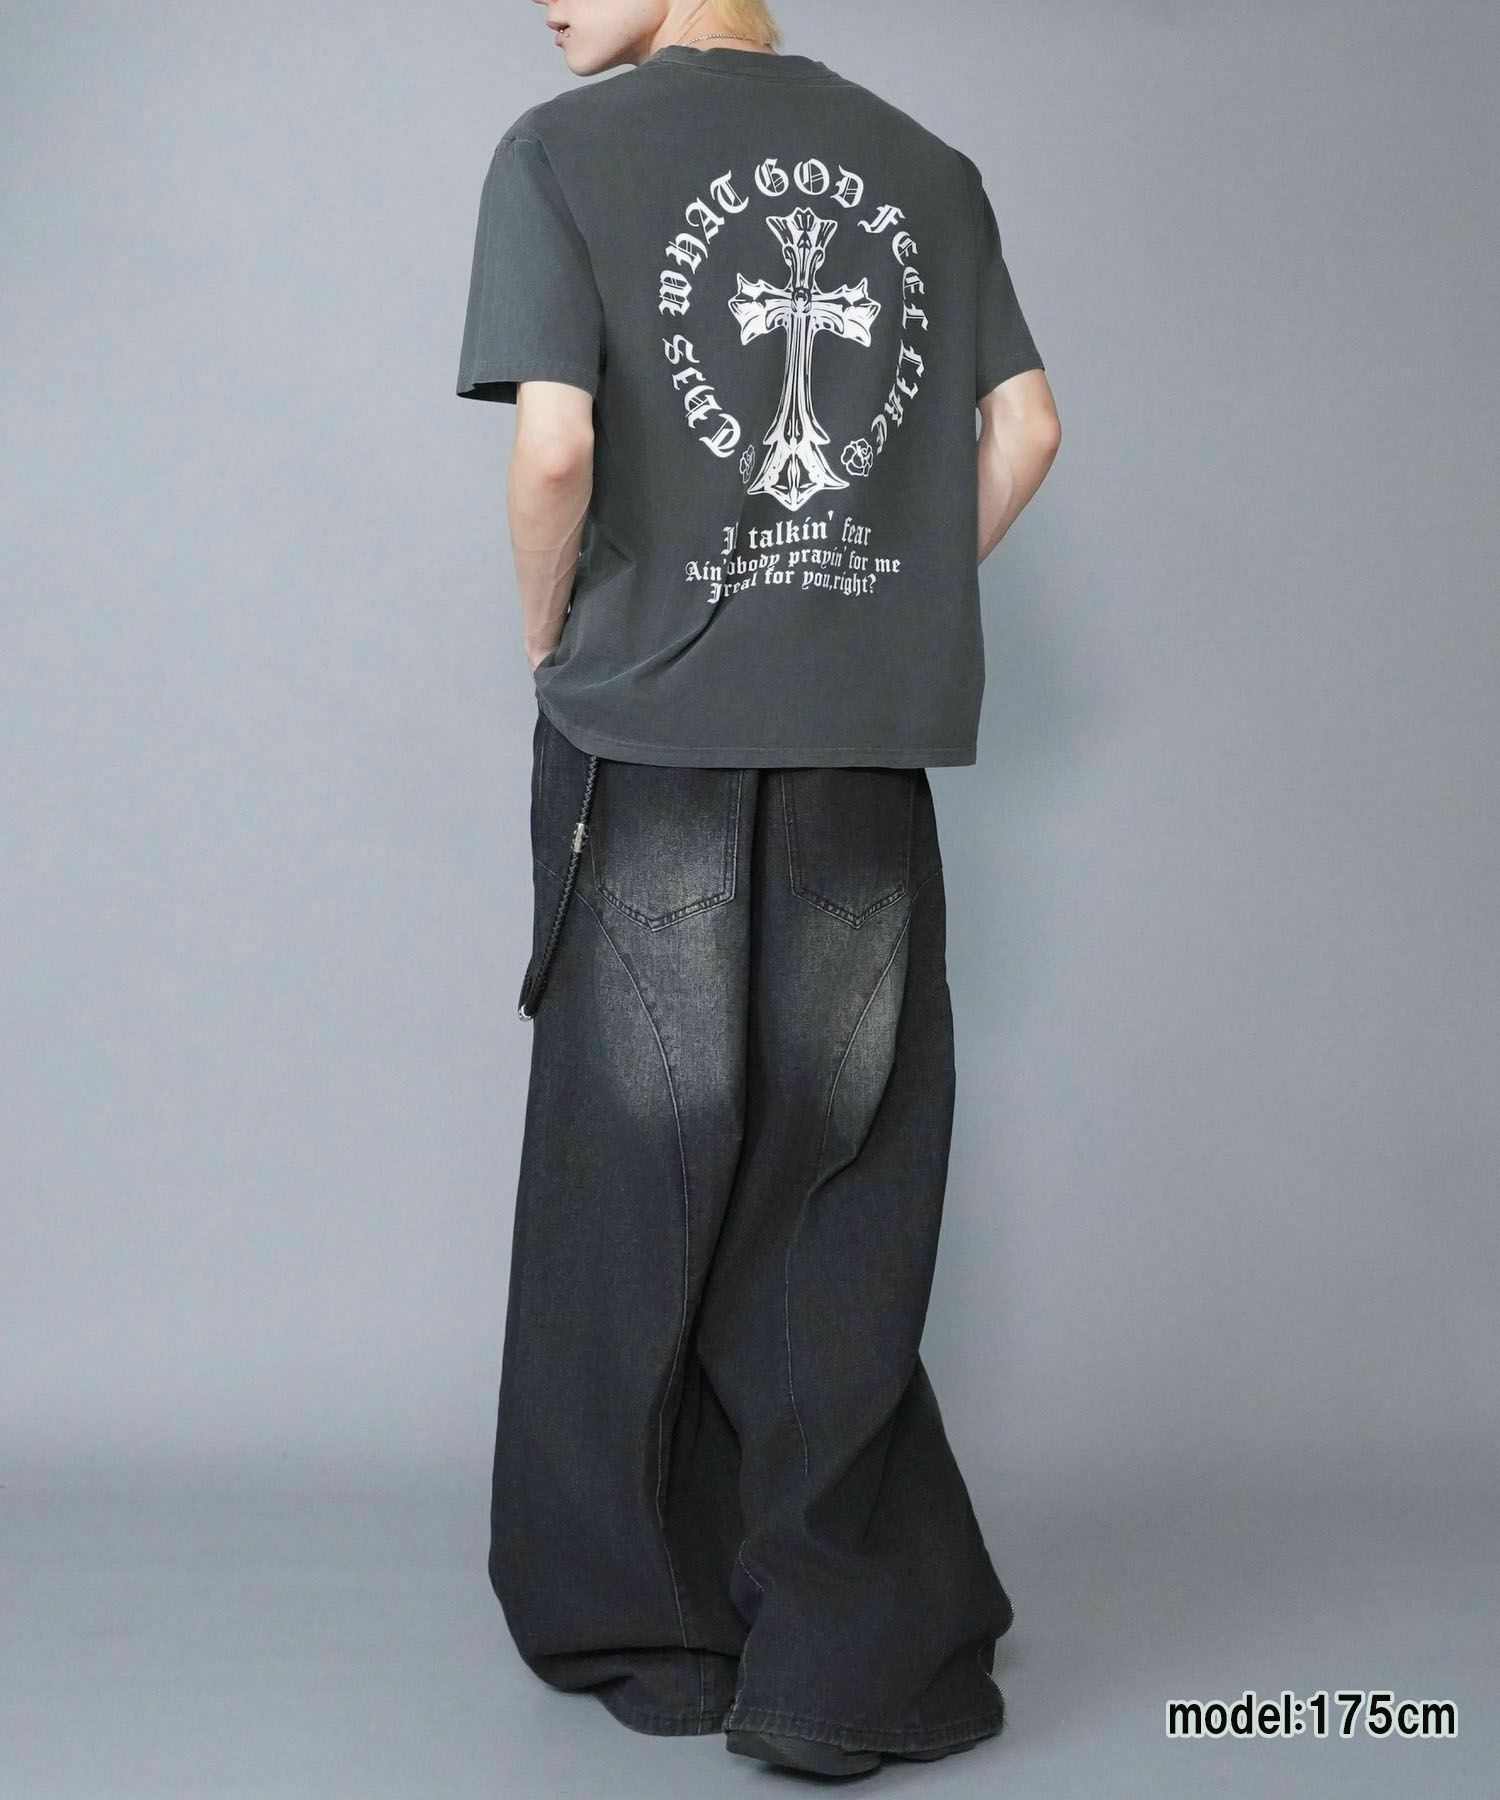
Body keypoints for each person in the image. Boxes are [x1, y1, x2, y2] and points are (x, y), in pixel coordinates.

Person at [455, 0, 1061, 1778]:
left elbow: (554, 447)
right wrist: (878, 608)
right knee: (834, 1189)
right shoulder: (928, 168)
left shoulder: (561, 154)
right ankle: (844, 1659)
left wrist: (551, 635)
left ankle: (651, 1634)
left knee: (633, 1179)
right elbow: (1026, 428)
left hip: (650, 744)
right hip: (861, 754)